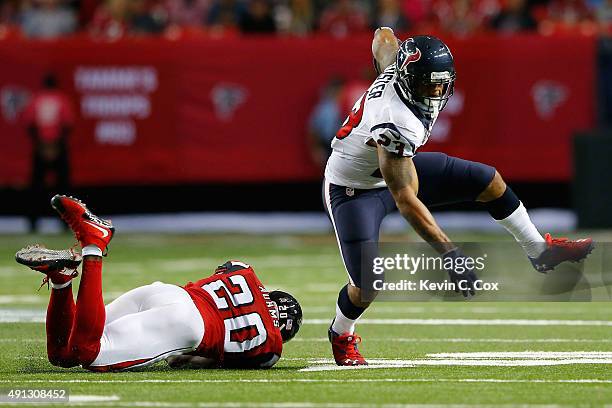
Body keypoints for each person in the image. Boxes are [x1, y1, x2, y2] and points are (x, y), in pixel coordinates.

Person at [323, 27, 594, 366]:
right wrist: (449, 254)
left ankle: (539, 251)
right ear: (409, 80)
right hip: (355, 190)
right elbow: (406, 200)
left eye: (441, 84)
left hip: (398, 169)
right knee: (368, 283)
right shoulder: (394, 120)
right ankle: (341, 331)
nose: (435, 92)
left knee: (487, 180)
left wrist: (388, 38)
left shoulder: (399, 70)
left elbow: (383, 39)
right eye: (427, 85)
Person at [15, 195, 302, 371]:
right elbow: (197, 360)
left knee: (63, 353)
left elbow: (223, 270)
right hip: (187, 325)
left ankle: (61, 279)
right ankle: (93, 244)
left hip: (168, 293)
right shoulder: (271, 348)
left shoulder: (244, 270)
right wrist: (189, 357)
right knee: (88, 352)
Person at [21, 74, 74, 233]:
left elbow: (29, 124)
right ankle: (66, 224)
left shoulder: (36, 100)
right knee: (63, 189)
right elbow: (68, 124)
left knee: (36, 188)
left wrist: (41, 145)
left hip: (40, 146)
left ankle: (33, 222)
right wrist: (56, 146)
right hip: (58, 146)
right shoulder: (62, 99)